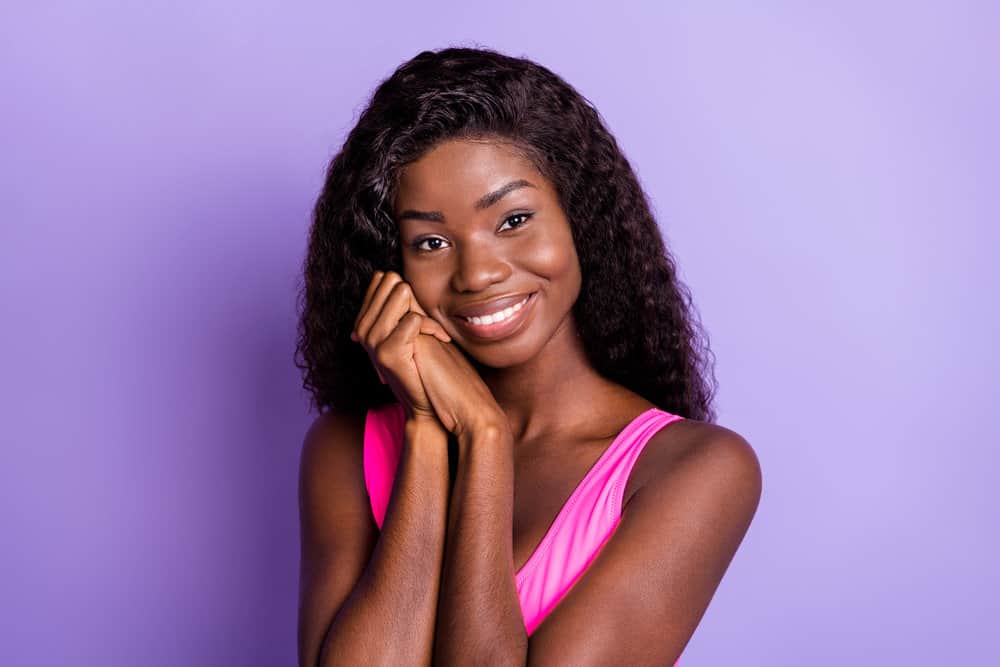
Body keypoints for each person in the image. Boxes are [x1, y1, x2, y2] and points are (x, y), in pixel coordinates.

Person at [294, 46, 762, 666]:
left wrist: (484, 437)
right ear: (392, 268)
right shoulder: (345, 452)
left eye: (513, 219)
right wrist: (430, 431)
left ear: (581, 220)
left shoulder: (695, 470)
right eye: (430, 241)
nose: (479, 273)